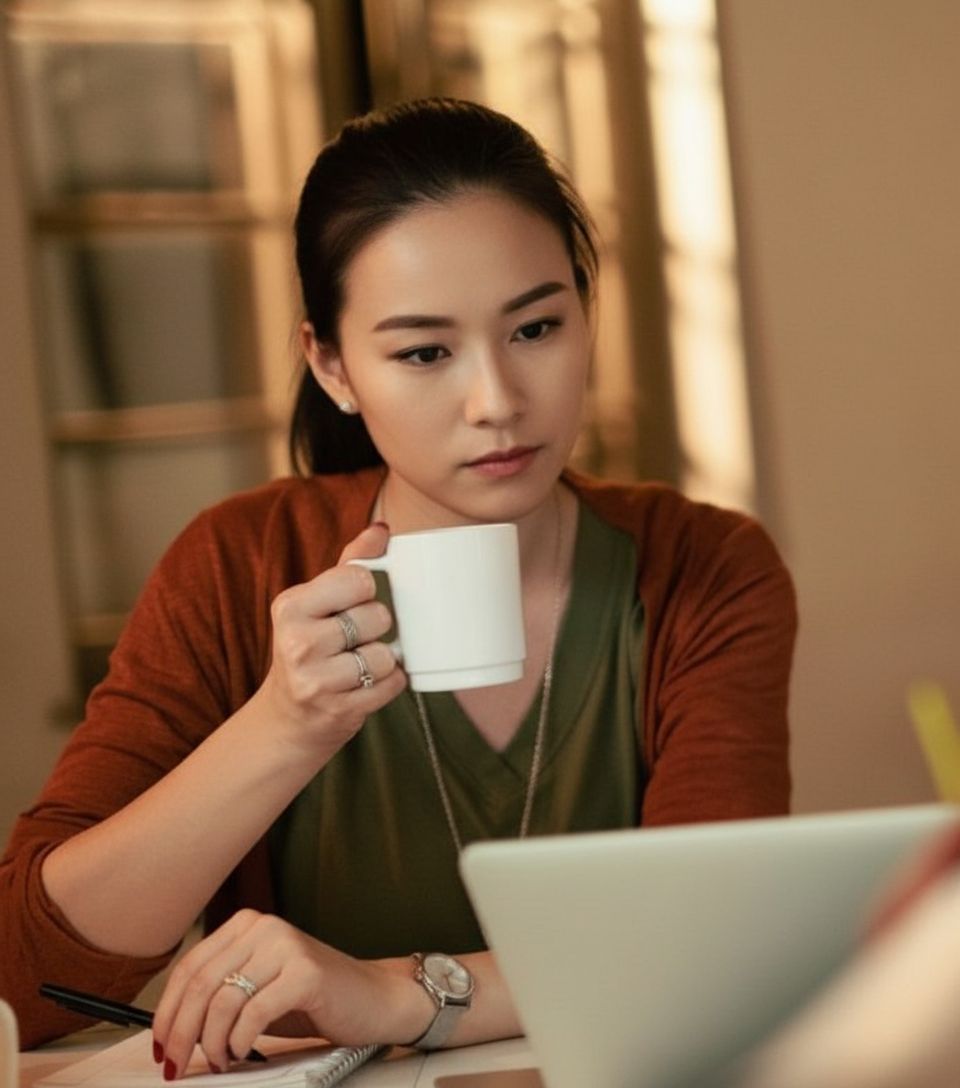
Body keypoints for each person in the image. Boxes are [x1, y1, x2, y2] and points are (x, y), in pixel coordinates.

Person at [0, 98, 795, 1077]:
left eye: (537, 326)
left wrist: (399, 991)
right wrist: (286, 724)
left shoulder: (704, 567)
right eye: (424, 351)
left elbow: (716, 938)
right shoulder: (238, 563)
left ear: (588, 314)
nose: (496, 401)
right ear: (331, 365)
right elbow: (19, 976)